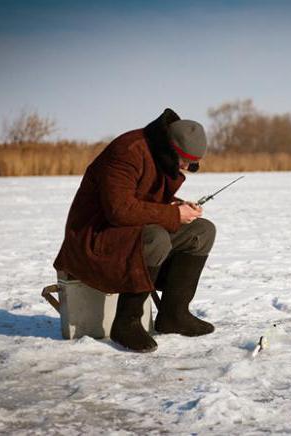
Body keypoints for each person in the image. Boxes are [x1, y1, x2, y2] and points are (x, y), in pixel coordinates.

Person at [53, 108, 216, 352]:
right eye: (185, 161)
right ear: (171, 148)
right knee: (155, 238)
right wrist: (172, 214)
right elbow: (119, 211)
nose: (185, 168)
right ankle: (126, 322)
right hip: (94, 238)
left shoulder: (159, 155)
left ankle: (174, 315)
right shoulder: (127, 152)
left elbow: (143, 201)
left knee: (201, 232)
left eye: (192, 165)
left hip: (124, 233)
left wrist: (175, 205)